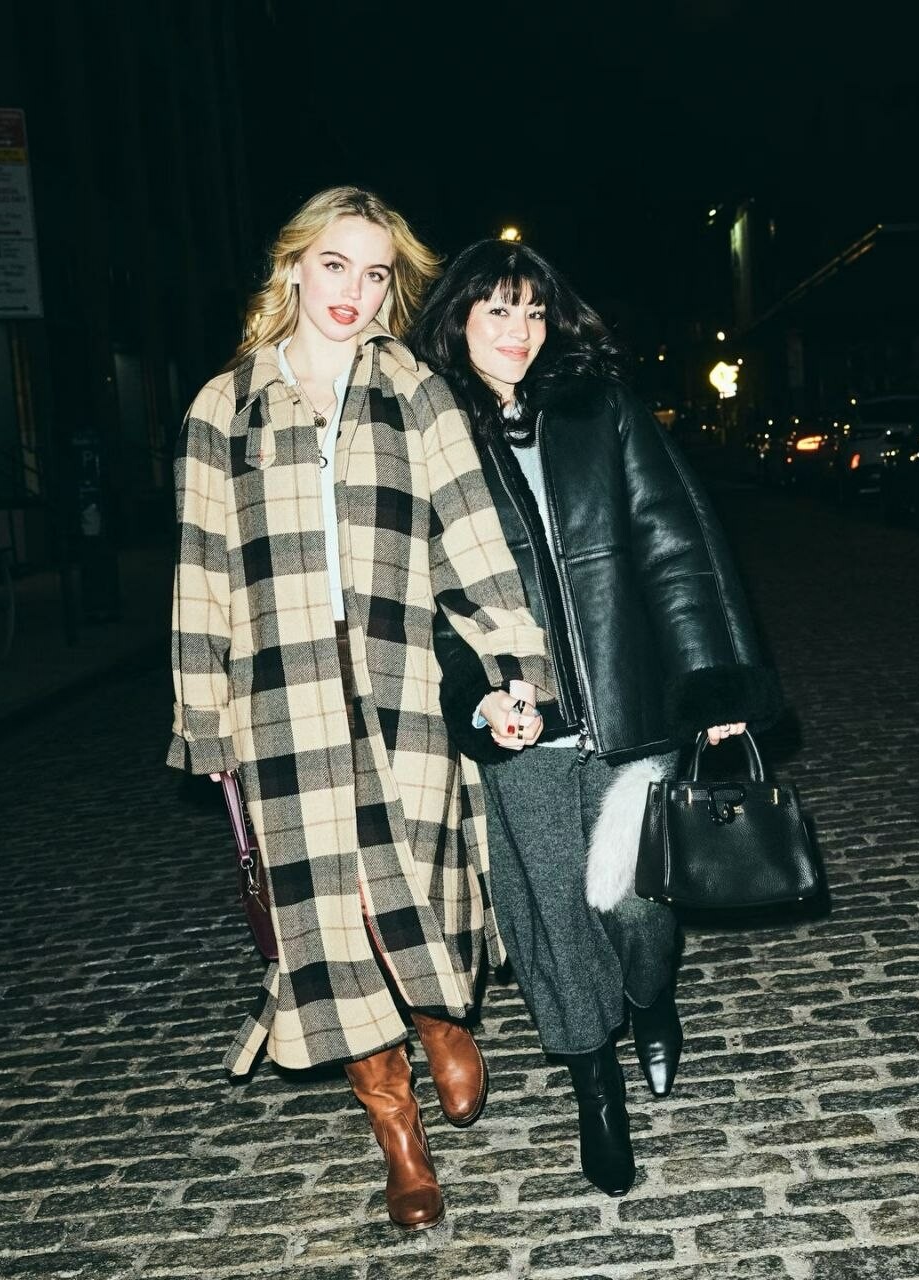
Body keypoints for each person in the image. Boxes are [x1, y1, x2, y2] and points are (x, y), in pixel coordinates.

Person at [168, 189, 553, 1230]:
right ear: (293, 266)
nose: (354, 290)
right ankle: (398, 1135)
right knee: (326, 920)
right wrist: (204, 720)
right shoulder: (225, 406)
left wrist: (516, 662)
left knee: (420, 868)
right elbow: (201, 574)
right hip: (278, 695)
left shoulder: (414, 391)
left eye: (375, 273)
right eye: (334, 265)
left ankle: (438, 1011)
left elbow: (469, 536)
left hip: (402, 678)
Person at [411, 240, 782, 1196]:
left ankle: (652, 999)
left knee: (637, 904)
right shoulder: (426, 430)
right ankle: (596, 1090)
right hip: (524, 723)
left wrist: (713, 692)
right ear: (456, 319)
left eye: (534, 311)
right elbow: (424, 594)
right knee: (552, 914)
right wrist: (476, 693)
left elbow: (675, 549)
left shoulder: (599, 410)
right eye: (497, 310)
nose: (519, 331)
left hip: (631, 709)